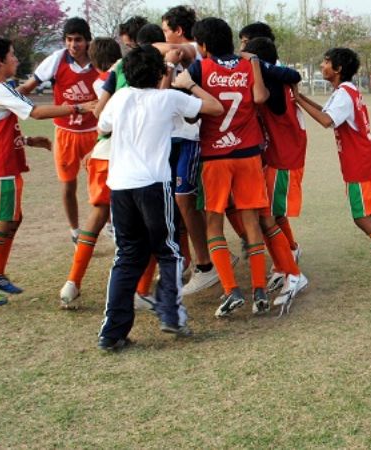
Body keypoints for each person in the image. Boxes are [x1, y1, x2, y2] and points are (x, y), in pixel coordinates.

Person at [96, 45, 223, 351]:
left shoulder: (121, 98)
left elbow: (103, 125)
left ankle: (112, 332)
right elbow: (215, 108)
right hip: (154, 185)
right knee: (168, 251)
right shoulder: (169, 99)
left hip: (121, 186)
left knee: (126, 257)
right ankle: (171, 314)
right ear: (160, 72)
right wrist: (188, 85)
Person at [0, 36, 95, 306]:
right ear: (0, 61)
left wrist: (25, 141)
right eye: (12, 55)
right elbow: (35, 112)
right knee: (2, 223)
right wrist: (79, 107)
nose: (16, 59)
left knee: (13, 219)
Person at [295, 48, 371, 293]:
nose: (322, 65)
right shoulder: (345, 91)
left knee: (361, 218)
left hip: (358, 163)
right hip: (361, 160)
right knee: (366, 215)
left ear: (338, 69)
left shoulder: (343, 94)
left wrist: (297, 99)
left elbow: (326, 121)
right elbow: (326, 112)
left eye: (326, 62)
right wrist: (299, 97)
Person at [187, 17, 272, 317]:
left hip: (215, 157)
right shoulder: (248, 65)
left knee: (213, 224)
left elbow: (190, 116)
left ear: (204, 45)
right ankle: (260, 290)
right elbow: (261, 98)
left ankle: (231, 290)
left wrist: (192, 87)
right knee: (251, 222)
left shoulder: (199, 69)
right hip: (247, 154)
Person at [17, 17, 98, 244]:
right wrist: (7, 95)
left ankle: (109, 224)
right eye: (69, 40)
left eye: (78, 40)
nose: (73, 45)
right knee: (68, 183)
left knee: (101, 184)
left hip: (93, 132)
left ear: (87, 41)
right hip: (65, 133)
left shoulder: (98, 61)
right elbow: (28, 86)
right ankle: (74, 231)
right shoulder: (56, 59)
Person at [242, 37, 308, 312]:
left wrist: (255, 64)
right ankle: (285, 265)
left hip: (284, 161)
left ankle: (294, 272)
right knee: (272, 217)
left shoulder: (274, 83)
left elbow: (289, 75)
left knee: (267, 218)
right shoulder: (274, 78)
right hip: (279, 159)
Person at [58, 37, 122, 309]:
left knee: (98, 216)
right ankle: (138, 289)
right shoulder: (131, 74)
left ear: (94, 62)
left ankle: (72, 282)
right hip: (127, 156)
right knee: (141, 221)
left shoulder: (101, 83)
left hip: (101, 155)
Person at [160, 5, 218, 297]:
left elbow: (178, 50)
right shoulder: (170, 53)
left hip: (192, 137)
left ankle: (206, 265)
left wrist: (168, 53)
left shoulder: (192, 49)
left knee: (185, 199)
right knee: (174, 203)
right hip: (172, 137)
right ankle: (184, 261)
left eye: (166, 29)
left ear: (178, 31)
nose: (163, 37)